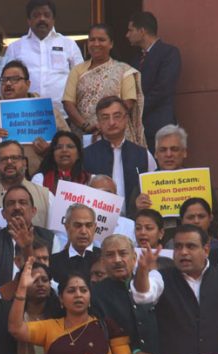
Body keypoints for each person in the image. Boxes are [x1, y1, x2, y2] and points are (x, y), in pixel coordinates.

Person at [132, 225, 218, 354]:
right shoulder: (161, 277)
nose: (183, 252)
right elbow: (143, 296)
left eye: (191, 246)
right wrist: (142, 271)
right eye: (178, 247)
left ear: (206, 250)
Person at [9, 258, 134, 354]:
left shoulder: (106, 326)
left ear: (90, 297)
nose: (78, 295)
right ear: (61, 299)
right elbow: (16, 329)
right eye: (71, 291)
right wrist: (22, 288)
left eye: (83, 290)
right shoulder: (50, 327)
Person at [129, 124, 218, 237]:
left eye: (174, 149)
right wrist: (138, 210)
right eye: (163, 150)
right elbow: (129, 224)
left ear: (184, 152)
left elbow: (217, 221)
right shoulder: (143, 184)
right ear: (156, 154)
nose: (168, 154)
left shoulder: (199, 181)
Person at [0, 60, 70, 175]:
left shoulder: (48, 111)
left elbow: (69, 145)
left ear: (28, 84)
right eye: (4, 80)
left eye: (15, 79)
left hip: (43, 179)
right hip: (1, 180)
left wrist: (50, 150)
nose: (8, 84)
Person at [63, 24, 145, 146]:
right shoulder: (77, 71)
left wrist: (108, 123)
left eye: (101, 40)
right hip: (85, 135)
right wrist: (86, 126)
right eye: (92, 40)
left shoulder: (124, 70)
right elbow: (68, 103)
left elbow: (128, 103)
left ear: (111, 44)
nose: (96, 44)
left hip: (117, 133)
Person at [91, 235, 162, 354]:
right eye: (110, 255)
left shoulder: (151, 283)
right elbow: (103, 337)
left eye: (123, 254)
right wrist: (136, 353)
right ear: (103, 261)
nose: (117, 260)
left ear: (134, 258)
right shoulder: (96, 295)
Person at [4, 0, 84, 117]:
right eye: (36, 15)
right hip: (24, 117)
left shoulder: (69, 45)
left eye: (47, 15)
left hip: (63, 116)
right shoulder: (15, 47)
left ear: (53, 19)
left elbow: (81, 79)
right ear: (29, 20)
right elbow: (5, 82)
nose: (42, 19)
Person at [83, 96, 157, 212]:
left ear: (126, 118)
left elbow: (154, 192)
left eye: (117, 116)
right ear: (98, 122)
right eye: (105, 118)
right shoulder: (85, 156)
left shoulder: (143, 155)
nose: (111, 122)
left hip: (136, 225)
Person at [0, 184, 62, 285]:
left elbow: (56, 282)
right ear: (4, 214)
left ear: (33, 211)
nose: (17, 207)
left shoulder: (51, 239)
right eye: (11, 203)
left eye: (23, 202)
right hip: (6, 299)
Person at [126, 11, 181, 154]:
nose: (127, 35)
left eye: (130, 30)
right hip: (139, 130)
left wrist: (135, 109)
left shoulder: (169, 53)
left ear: (142, 31)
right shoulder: (135, 60)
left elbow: (162, 90)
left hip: (160, 126)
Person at [0, 140, 53, 228]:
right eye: (4, 159)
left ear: (24, 163)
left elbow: (57, 237)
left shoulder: (45, 196)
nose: (9, 162)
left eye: (14, 158)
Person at [49, 204, 101, 285]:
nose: (83, 231)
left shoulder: (104, 258)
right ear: (67, 227)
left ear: (95, 227)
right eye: (77, 225)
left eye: (88, 225)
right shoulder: (53, 262)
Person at [88, 174, 137, 247]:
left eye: (107, 193)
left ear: (116, 197)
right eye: (98, 193)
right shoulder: (78, 226)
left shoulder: (130, 226)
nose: (103, 198)